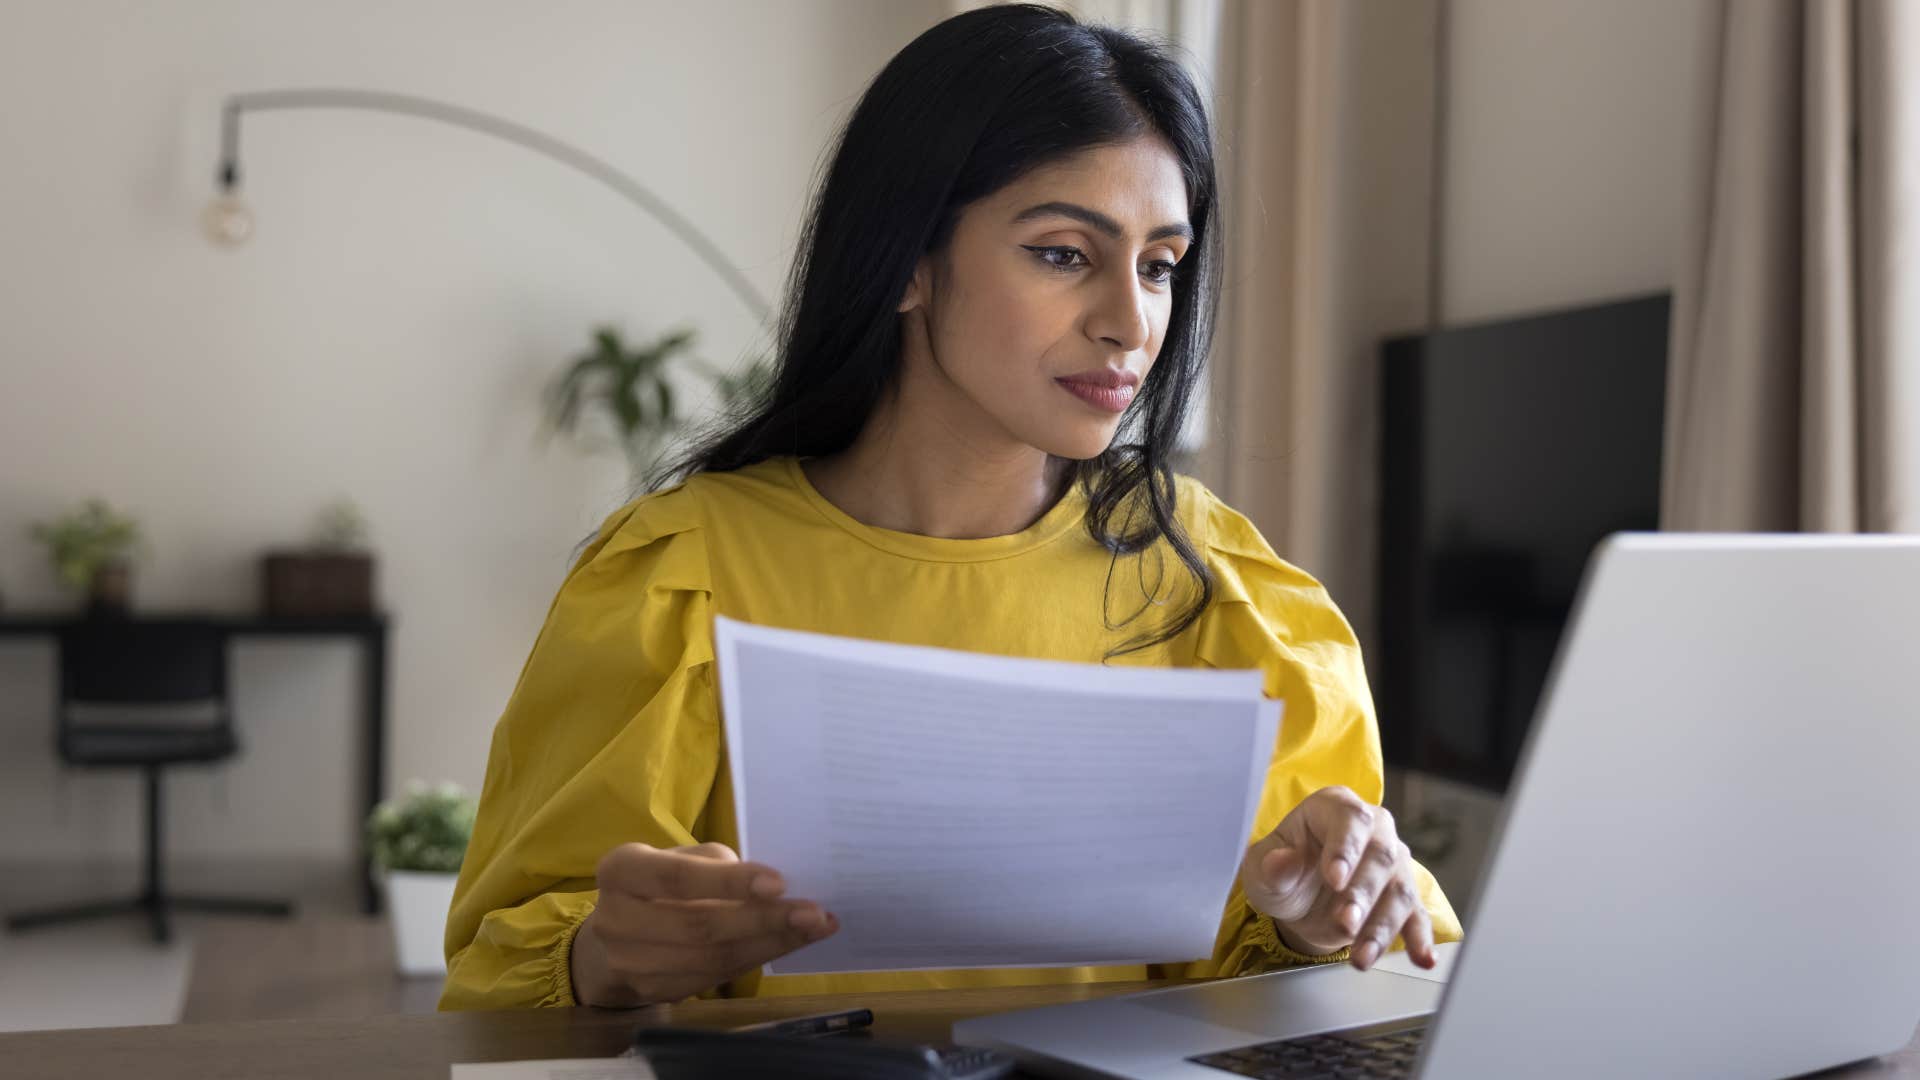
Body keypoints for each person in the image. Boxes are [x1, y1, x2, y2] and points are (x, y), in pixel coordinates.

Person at [439, 2, 1462, 1012]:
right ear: (911, 262)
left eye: (1159, 265)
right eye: (1065, 252)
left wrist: (1316, 919)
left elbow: (1361, 989)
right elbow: (503, 968)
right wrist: (607, 955)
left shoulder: (1223, 590)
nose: (1131, 322)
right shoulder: (675, 574)